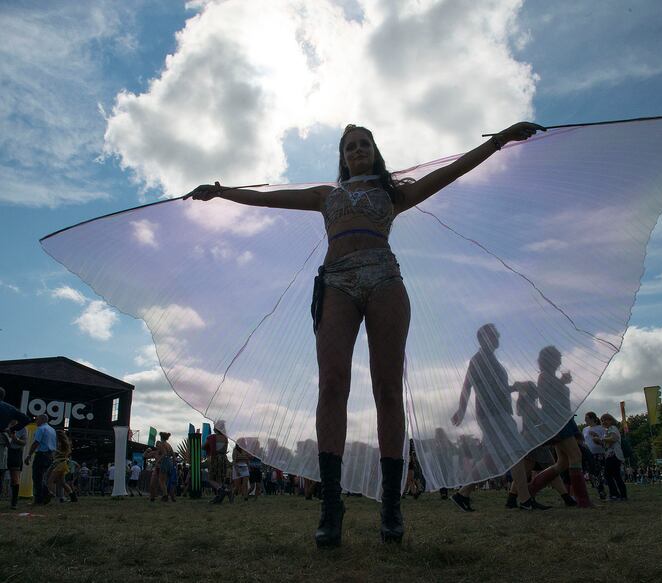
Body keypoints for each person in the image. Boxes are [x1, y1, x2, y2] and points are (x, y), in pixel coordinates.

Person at [190, 121, 543, 547]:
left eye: (364, 144)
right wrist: (223, 191)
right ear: (342, 156)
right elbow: (268, 200)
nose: (357, 150)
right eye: (350, 146)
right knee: (332, 385)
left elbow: (450, 172)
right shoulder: (327, 196)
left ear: (375, 151)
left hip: (384, 280)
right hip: (336, 282)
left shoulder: (393, 193)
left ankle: (392, 505)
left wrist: (499, 141)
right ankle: (331, 504)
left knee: (388, 389)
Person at [451, 324, 547, 512]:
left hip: (496, 413)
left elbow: (496, 388)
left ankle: (462, 494)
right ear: (484, 338)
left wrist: (515, 387)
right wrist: (461, 410)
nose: (498, 339)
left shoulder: (488, 359)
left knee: (491, 459)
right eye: (495, 336)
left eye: (497, 335)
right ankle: (525, 500)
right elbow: (467, 385)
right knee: (517, 452)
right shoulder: (479, 359)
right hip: (493, 414)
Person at [524, 347, 592, 508]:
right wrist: (562, 383)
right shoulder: (545, 377)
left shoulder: (549, 377)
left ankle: (531, 490)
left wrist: (562, 382)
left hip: (562, 420)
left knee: (563, 462)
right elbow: (547, 399)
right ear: (550, 360)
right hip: (558, 421)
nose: (560, 361)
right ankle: (583, 500)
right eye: (557, 357)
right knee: (575, 456)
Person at [25, 414, 57, 504]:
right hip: (50, 455)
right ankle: (45, 494)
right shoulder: (52, 430)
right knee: (41, 477)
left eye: (37, 419)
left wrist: (29, 455)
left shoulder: (41, 429)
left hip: (41, 455)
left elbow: (36, 442)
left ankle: (39, 499)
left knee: (37, 477)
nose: (36, 421)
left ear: (42, 420)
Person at [600, 414, 627, 501]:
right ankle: (622, 495)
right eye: (602, 420)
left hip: (613, 455)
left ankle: (614, 494)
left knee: (608, 475)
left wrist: (602, 439)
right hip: (612, 455)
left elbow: (613, 439)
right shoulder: (608, 430)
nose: (604, 422)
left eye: (605, 420)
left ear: (611, 420)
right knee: (616, 476)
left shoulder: (612, 428)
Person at [46, 430, 77, 503]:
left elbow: (56, 452)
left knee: (50, 480)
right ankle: (73, 497)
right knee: (62, 482)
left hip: (59, 464)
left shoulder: (59, 444)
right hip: (62, 464)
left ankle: (51, 494)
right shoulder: (64, 444)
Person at [204, 422, 231, 504]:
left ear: (216, 428)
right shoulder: (225, 438)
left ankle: (222, 490)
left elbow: (204, 446)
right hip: (223, 458)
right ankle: (221, 495)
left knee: (211, 478)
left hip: (215, 458)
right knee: (219, 479)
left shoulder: (212, 437)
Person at [583, 412, 607, 500]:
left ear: (592, 419)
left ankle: (601, 490)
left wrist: (596, 436)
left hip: (599, 453)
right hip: (589, 453)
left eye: (587, 418)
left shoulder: (601, 428)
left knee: (599, 472)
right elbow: (584, 441)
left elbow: (605, 440)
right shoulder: (585, 429)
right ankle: (599, 489)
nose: (585, 420)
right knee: (592, 474)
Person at [2, 425, 26, 508]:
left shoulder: (22, 428)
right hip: (3, 452)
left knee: (15, 479)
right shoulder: (4, 424)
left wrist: (15, 438)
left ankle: (14, 502)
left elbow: (24, 442)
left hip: (15, 453)